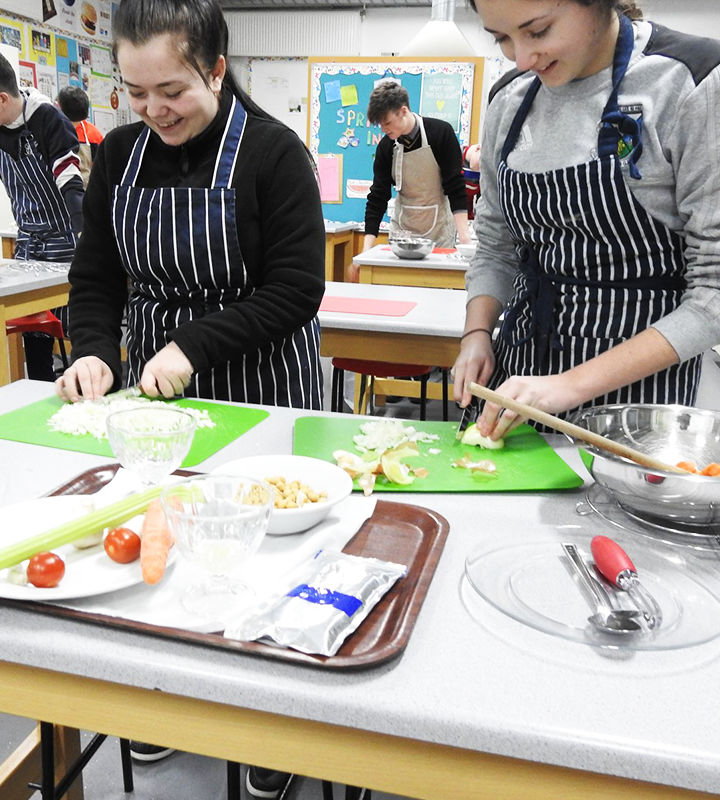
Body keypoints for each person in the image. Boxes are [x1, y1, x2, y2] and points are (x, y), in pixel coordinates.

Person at [452, 0, 720, 441]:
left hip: (639, 399)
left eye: (537, 31)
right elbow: (497, 246)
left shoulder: (688, 80)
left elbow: (712, 294)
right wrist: (477, 333)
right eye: (501, 38)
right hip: (519, 377)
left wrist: (568, 386)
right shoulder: (510, 99)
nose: (521, 58)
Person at [56, 0, 324, 413]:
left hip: (261, 387)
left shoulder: (273, 154)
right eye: (136, 93)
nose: (155, 110)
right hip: (152, 390)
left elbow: (295, 290)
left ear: (216, 73)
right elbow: (96, 276)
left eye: (173, 92)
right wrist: (93, 351)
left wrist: (191, 346)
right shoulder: (119, 154)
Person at [0, 56, 84, 380]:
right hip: (28, 242)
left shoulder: (47, 119)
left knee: (75, 327)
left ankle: (84, 399)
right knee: (34, 333)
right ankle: (37, 395)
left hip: (64, 240)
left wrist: (84, 238)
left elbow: (71, 184)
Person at [358, 81, 471, 268]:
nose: (384, 130)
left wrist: (465, 241)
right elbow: (378, 196)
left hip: (439, 232)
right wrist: (365, 250)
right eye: (380, 125)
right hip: (402, 235)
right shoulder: (386, 147)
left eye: (387, 122)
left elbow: (455, 186)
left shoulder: (441, 133)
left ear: (403, 111)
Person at [57, 86, 104, 188]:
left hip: (85, 193)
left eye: (77, 122)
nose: (74, 126)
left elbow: (102, 170)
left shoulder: (93, 134)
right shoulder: (51, 131)